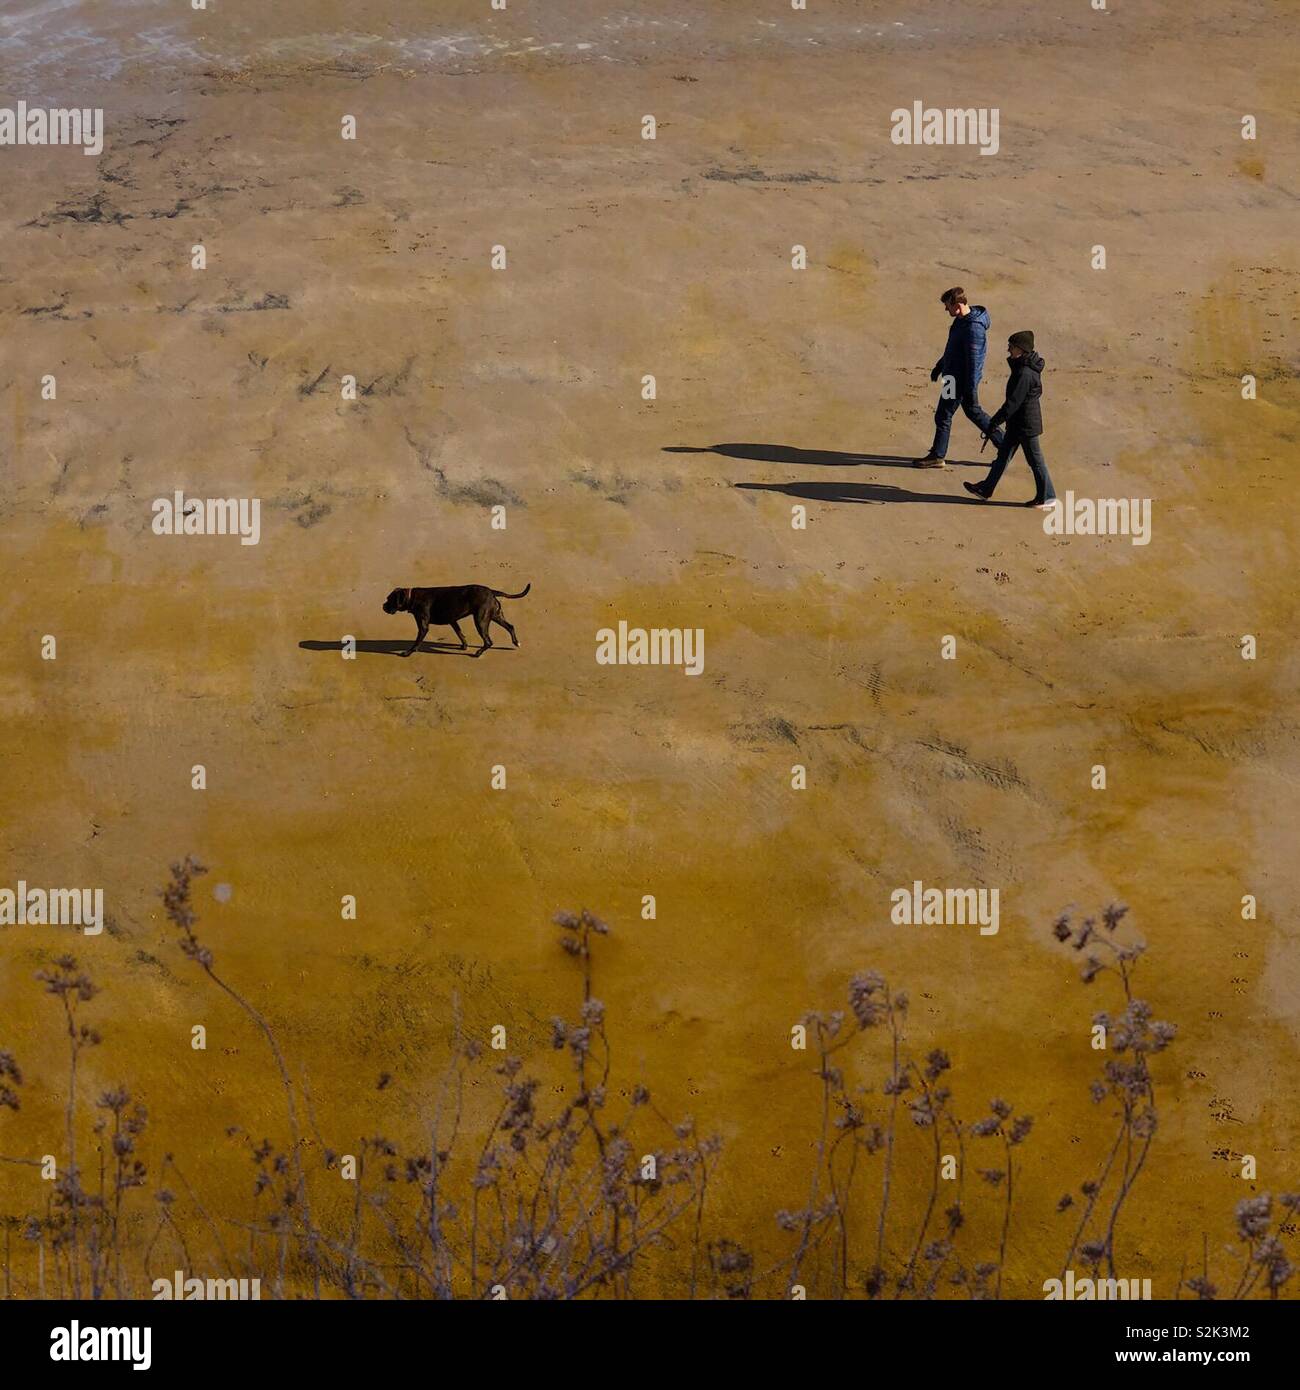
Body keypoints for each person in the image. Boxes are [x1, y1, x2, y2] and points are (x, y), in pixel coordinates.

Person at [964, 331, 1056, 509]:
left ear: (1021, 349)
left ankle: (1047, 496)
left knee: (1036, 461)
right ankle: (985, 489)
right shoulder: (1022, 367)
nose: (1008, 349)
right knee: (1002, 457)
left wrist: (995, 421)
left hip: (1026, 425)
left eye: (1011, 346)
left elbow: (1013, 402)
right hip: (1017, 424)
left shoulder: (1024, 373)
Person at [914, 287, 1004, 468]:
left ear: (958, 304)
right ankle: (1004, 444)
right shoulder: (960, 320)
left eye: (948, 306)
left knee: (944, 415)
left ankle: (937, 455)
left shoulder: (973, 329)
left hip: (958, 381)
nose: (946, 310)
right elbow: (953, 349)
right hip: (951, 377)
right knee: (971, 412)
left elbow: (974, 361)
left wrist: (970, 388)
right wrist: (940, 366)